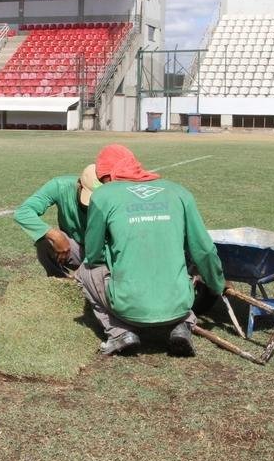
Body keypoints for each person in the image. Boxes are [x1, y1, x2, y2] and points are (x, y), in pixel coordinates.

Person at [75, 144, 226, 356]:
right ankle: (182, 325)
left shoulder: (104, 196)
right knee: (186, 263)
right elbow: (205, 251)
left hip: (127, 308)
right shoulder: (179, 192)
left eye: (103, 179)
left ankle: (119, 333)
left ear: (108, 174)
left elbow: (93, 254)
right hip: (179, 304)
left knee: (85, 270)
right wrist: (217, 284)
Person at [13, 164, 100, 277]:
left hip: (102, 256)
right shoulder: (60, 186)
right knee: (46, 242)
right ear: (79, 184)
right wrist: (55, 235)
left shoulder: (113, 199)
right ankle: (60, 282)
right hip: (76, 248)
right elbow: (23, 212)